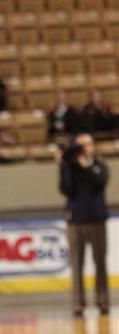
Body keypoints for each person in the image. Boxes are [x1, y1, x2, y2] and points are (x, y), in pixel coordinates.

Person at [58, 133, 110, 317]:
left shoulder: (99, 166)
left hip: (97, 220)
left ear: (93, 146)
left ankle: (103, 301)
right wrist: (66, 165)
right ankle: (78, 303)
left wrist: (86, 166)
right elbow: (65, 189)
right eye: (81, 145)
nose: (85, 148)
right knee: (76, 263)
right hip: (76, 221)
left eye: (88, 144)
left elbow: (100, 182)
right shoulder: (69, 167)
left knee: (100, 262)